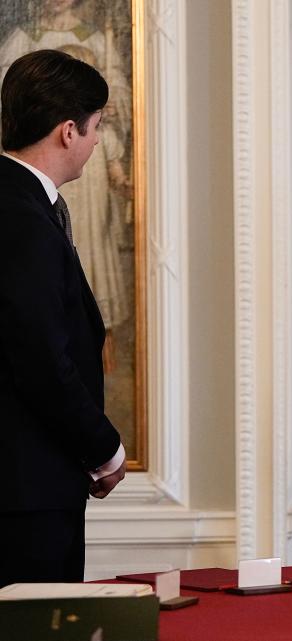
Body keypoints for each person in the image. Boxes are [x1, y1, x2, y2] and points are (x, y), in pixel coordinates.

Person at [0, 49, 125, 587]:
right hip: (24, 494)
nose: (98, 142)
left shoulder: (19, 203)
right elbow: (39, 359)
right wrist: (104, 450)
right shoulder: (21, 217)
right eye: (96, 127)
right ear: (68, 130)